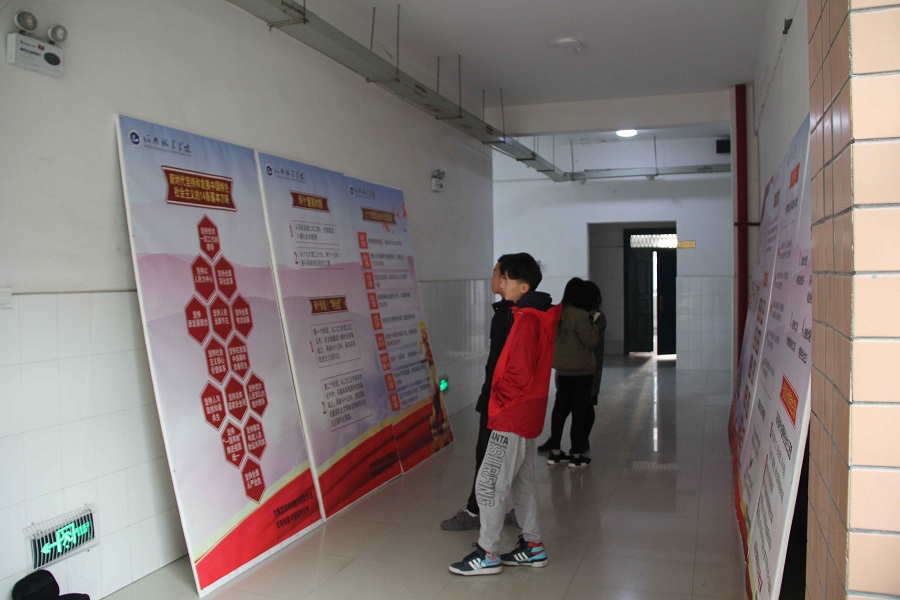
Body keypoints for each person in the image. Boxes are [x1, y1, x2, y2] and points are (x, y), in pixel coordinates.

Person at [449, 252, 561, 576]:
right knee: (522, 483)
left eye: (507, 278)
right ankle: (533, 546)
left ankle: (488, 553)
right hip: (526, 414)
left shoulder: (526, 321)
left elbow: (519, 375)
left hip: (510, 416)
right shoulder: (534, 314)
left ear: (524, 286)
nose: (501, 283)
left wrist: (497, 402)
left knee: (488, 484)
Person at [440, 257, 516, 531]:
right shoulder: (509, 312)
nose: (492, 278)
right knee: (511, 461)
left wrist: (492, 400)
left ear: (508, 281)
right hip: (504, 399)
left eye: (496, 273)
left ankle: (475, 514)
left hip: (501, 401)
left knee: (487, 457)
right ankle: (511, 511)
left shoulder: (514, 316)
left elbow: (503, 366)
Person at [538, 277, 600, 468]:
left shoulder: (557, 313)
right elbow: (590, 341)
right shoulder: (580, 315)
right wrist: (594, 323)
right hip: (581, 371)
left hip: (562, 370)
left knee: (559, 410)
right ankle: (576, 455)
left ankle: (555, 452)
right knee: (579, 413)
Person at [583, 280, 606, 443]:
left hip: (591, 366)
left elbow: (590, 339)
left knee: (588, 404)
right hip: (583, 365)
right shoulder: (580, 315)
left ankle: (583, 439)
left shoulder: (597, 317)